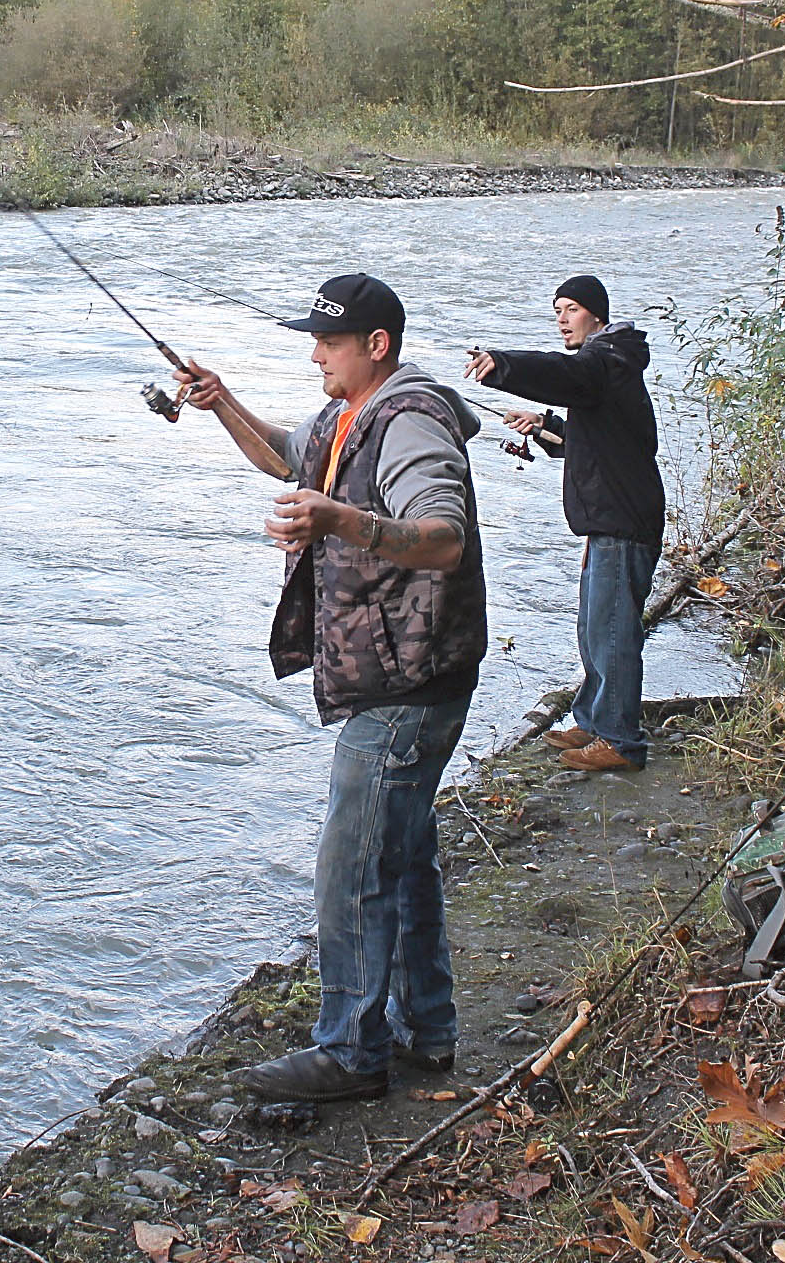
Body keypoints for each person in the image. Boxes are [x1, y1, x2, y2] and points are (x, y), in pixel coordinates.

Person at [172, 272, 487, 1103]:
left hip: (411, 681)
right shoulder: (347, 416)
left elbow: (444, 537)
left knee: (351, 858)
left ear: (375, 346)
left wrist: (340, 520)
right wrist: (224, 404)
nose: (315, 352)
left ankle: (352, 1050)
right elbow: (289, 453)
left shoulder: (412, 421)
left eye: (329, 340)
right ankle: (429, 1026)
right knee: (404, 849)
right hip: (398, 671)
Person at [463, 274, 665, 774]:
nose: (561, 319)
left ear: (596, 314)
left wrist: (502, 366)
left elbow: (567, 375)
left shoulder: (608, 358)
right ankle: (595, 720)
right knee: (593, 628)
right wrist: (547, 426)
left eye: (571, 309)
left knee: (612, 632)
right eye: (557, 310)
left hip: (623, 521)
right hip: (609, 522)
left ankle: (621, 741)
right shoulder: (606, 368)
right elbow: (591, 441)